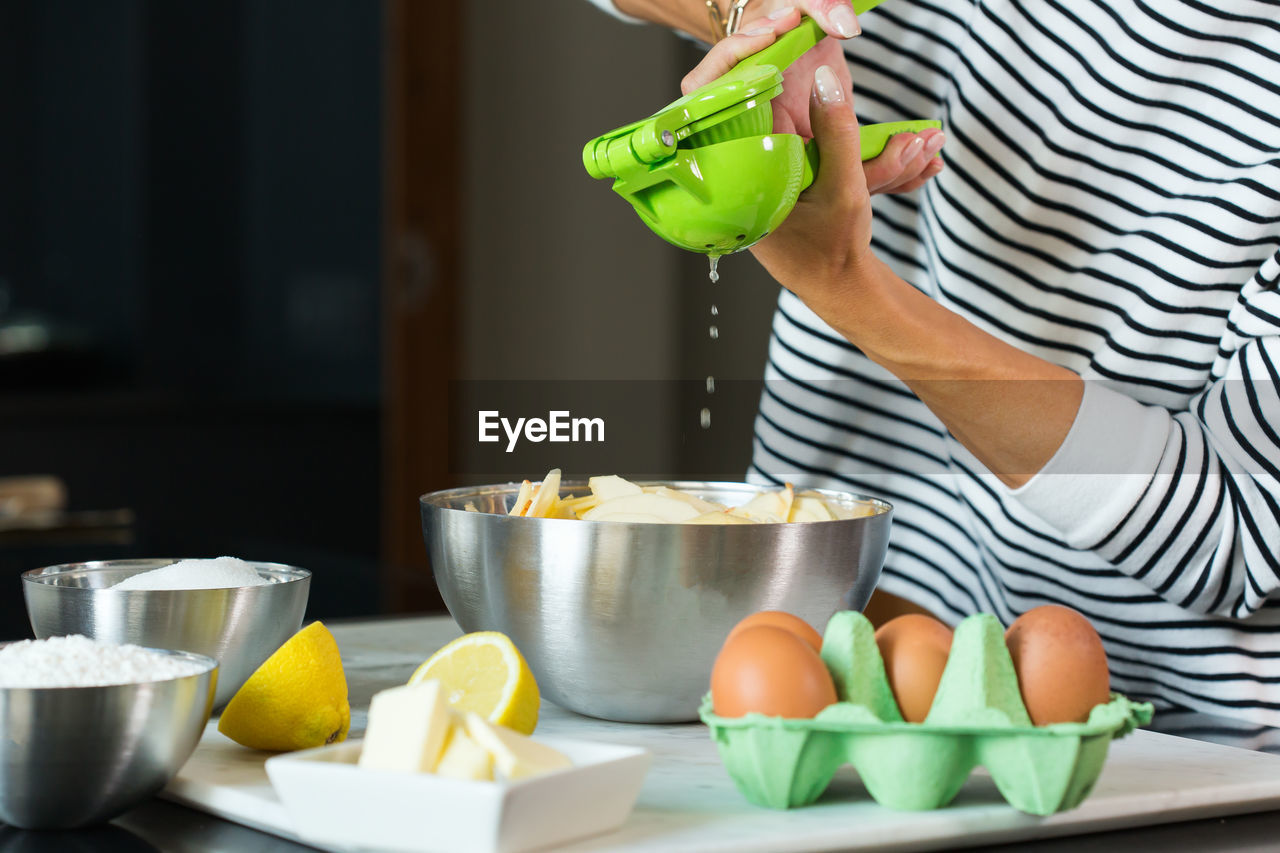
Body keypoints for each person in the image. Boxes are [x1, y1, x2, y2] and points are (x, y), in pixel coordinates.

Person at [584, 0, 1280, 727]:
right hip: (873, 639)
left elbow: (1235, 526)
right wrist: (755, 15)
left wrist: (844, 283)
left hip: (1192, 746)